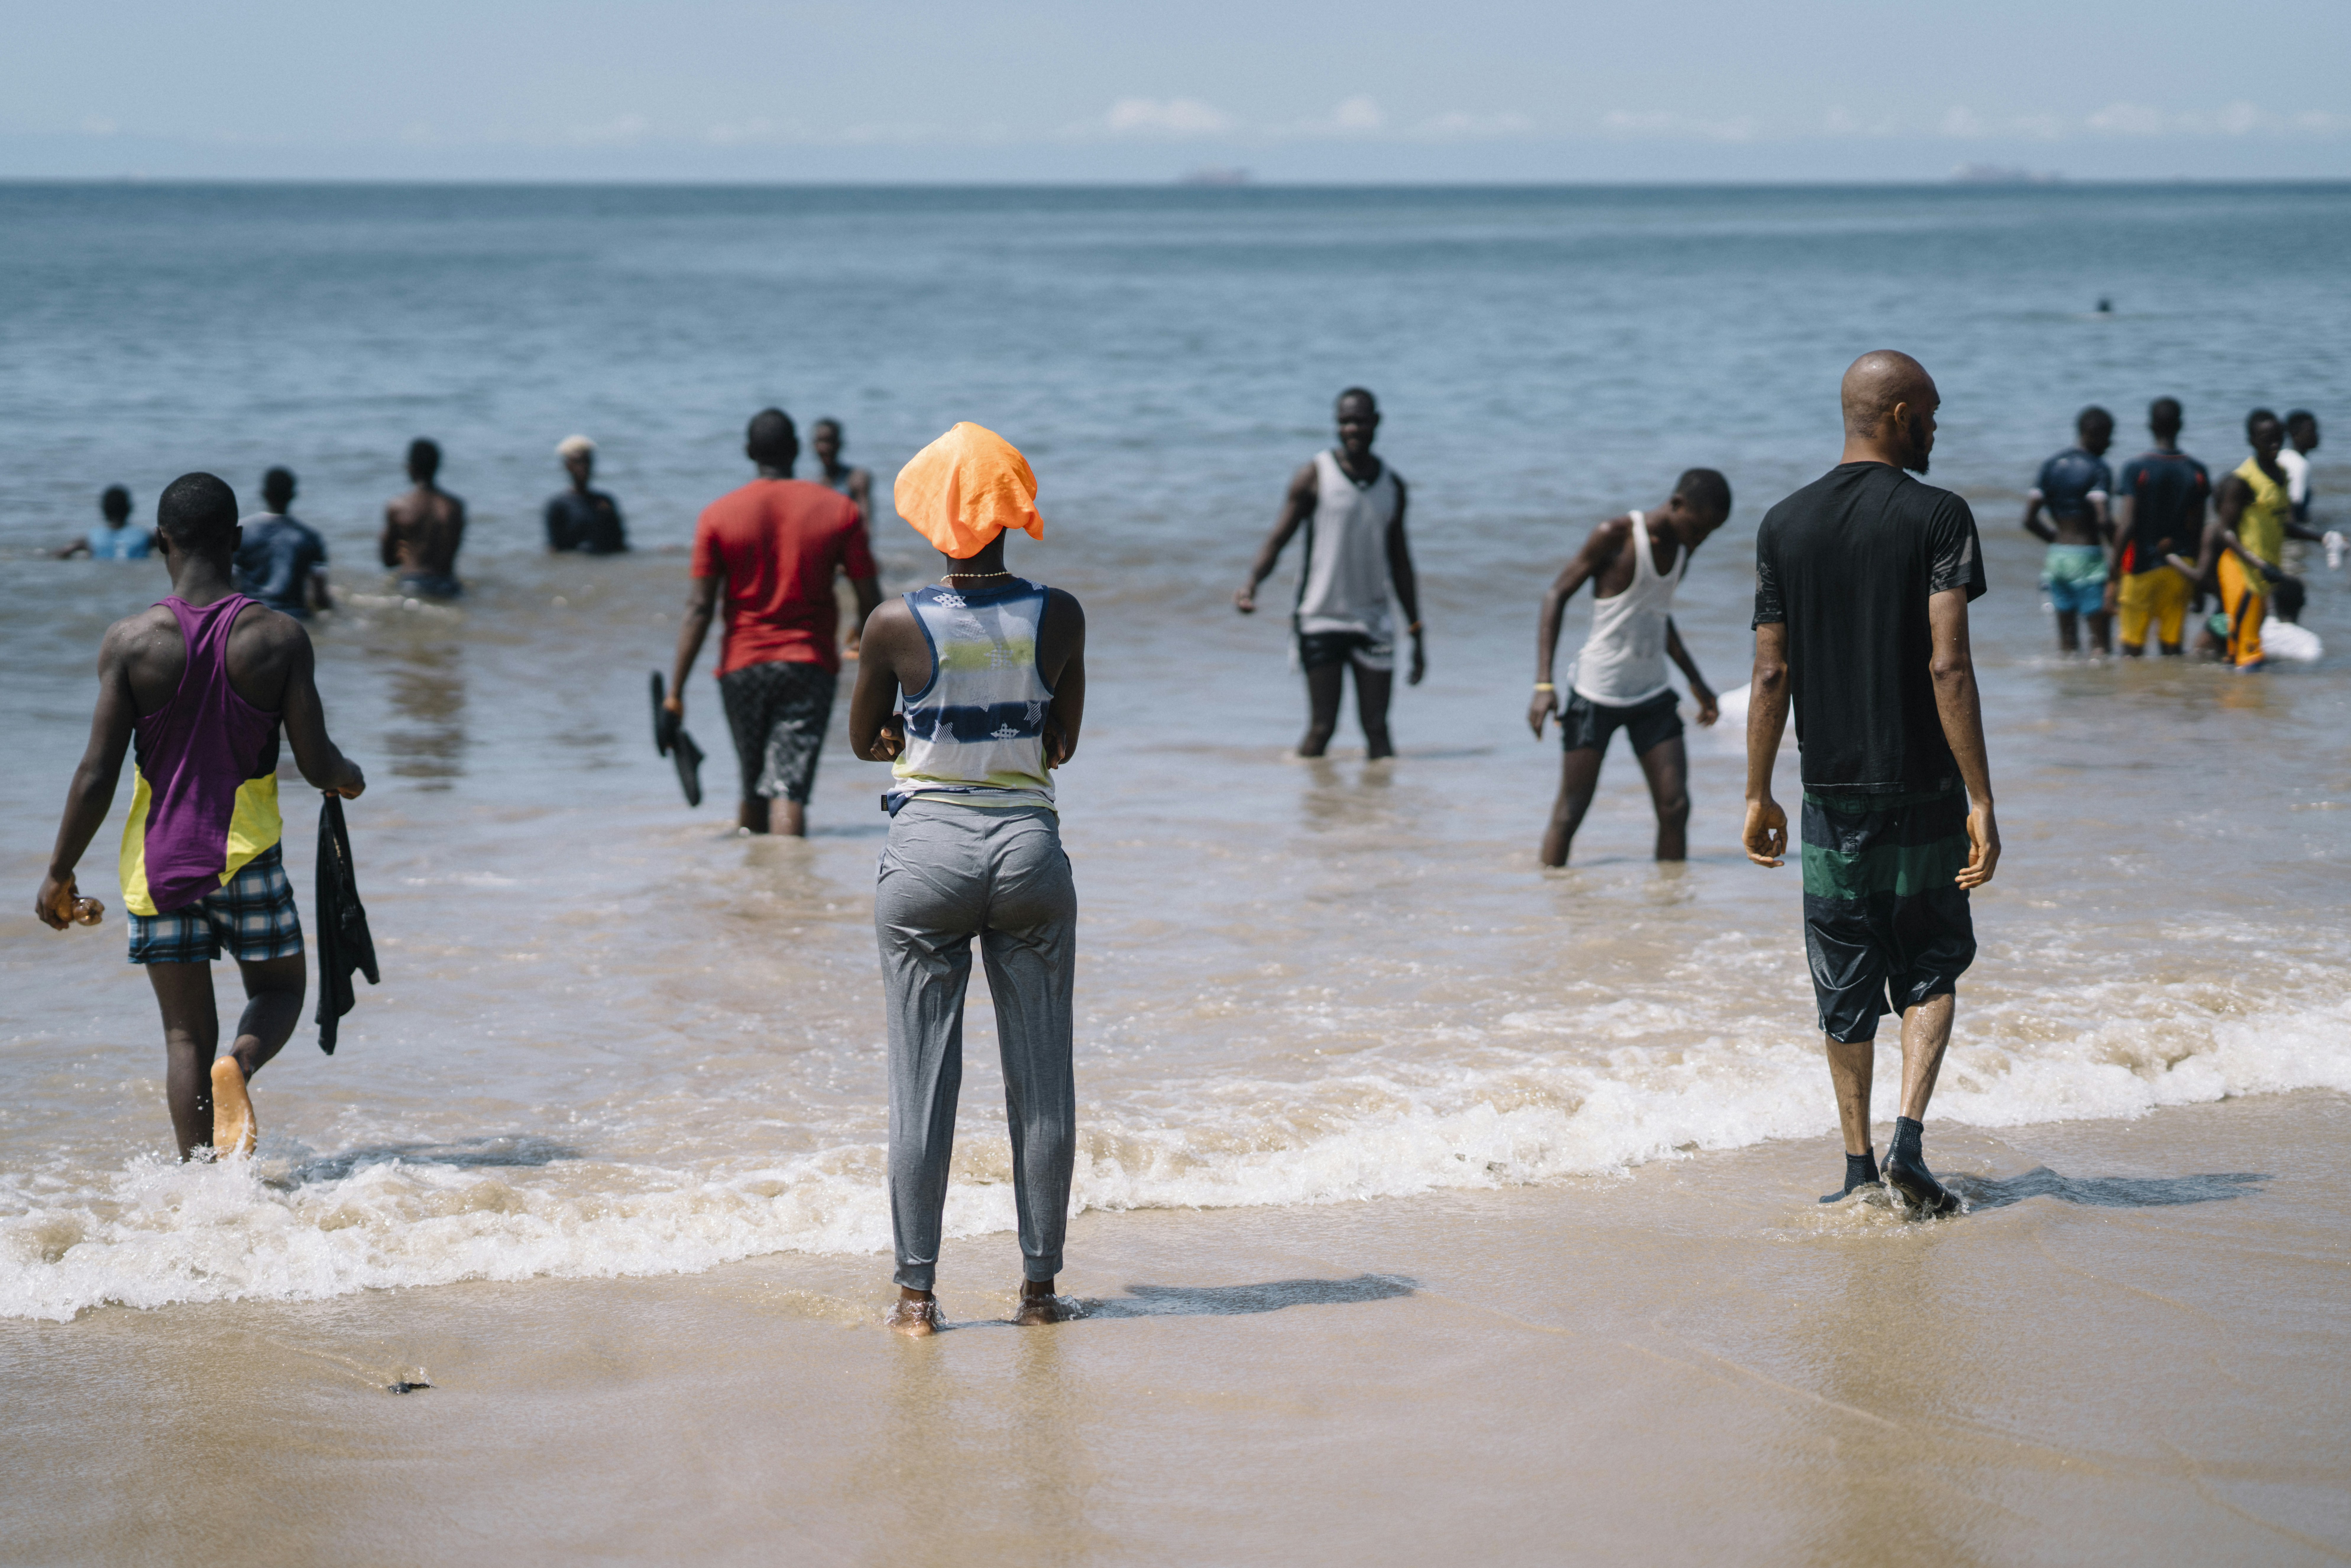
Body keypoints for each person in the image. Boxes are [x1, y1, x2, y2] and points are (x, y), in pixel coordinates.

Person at [33, 473, 366, 1161]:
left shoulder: (130, 642)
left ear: (162, 541)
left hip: (158, 868)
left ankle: (200, 1188)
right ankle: (239, 1067)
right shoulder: (278, 637)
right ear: (238, 541)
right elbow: (315, 761)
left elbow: (95, 773)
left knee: (185, 1035)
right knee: (279, 987)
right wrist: (350, 778)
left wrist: (60, 870)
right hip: (248, 855)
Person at [1742, 350, 1998, 1217]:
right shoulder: (1937, 516)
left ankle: (1855, 1167)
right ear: (1895, 415)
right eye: (1928, 413)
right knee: (1930, 962)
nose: (1935, 428)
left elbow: (1770, 674)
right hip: (1923, 789)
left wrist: (1756, 791)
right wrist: (1981, 798)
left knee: (1842, 980)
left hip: (1828, 797)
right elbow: (1949, 664)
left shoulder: (1783, 524)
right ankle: (1907, 1144)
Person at [847, 422, 1085, 1337]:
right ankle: (1038, 1291)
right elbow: (1061, 740)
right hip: (1028, 852)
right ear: (1007, 514)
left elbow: (863, 737)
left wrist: (910, 737)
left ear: (932, 518)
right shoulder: (1058, 614)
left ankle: (915, 1296)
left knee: (921, 1082)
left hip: (925, 858)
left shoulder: (892, 624)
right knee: (1042, 1081)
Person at [667, 408, 883, 835]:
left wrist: (675, 692)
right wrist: (871, 652)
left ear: (749, 452)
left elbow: (698, 609)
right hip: (809, 664)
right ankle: (789, 887)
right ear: (798, 450)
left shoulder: (716, 516)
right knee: (790, 788)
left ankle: (755, 883)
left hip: (742, 667)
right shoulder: (840, 511)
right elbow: (869, 596)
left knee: (752, 787)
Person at [1527, 470, 1732, 866]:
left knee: (1676, 807)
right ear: (1676, 504)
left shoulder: (1683, 552)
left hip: (1652, 694)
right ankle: (1548, 906)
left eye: (1709, 534)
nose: (1699, 540)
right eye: (1697, 527)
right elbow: (1556, 594)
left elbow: (1656, 617)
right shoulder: (1616, 535)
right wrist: (1543, 685)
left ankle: (1668, 910)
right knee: (1572, 811)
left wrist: (1698, 683)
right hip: (1596, 693)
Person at [1235, 388, 1426, 759]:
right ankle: (1308, 808)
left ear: (1376, 423)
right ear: (1336, 426)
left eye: (1360, 421)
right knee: (1322, 728)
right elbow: (1278, 539)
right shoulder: (1314, 476)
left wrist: (1416, 630)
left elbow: (1401, 563)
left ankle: (1386, 814)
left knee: (1378, 731)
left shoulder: (1392, 486)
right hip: (1319, 619)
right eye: (1345, 422)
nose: (1353, 429)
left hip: (1373, 621)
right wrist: (1252, 584)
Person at [2201, 410, 2330, 671]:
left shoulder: (2282, 475)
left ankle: (2233, 705)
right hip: (2242, 571)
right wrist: (2257, 563)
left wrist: (2322, 538)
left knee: (2243, 648)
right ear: (2251, 440)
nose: (2273, 444)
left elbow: (2282, 525)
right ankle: (2250, 707)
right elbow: (2224, 532)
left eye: (2277, 438)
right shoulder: (2242, 481)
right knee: (2250, 654)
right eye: (2266, 438)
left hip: (2264, 575)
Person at [2107, 399, 2208, 657]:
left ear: (2150, 426)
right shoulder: (2197, 471)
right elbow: (2198, 530)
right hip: (2181, 568)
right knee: (2172, 648)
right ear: (2181, 425)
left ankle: (2136, 697)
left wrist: (2113, 576)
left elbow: (2127, 525)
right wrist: (2197, 581)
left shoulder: (2136, 468)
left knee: (2132, 649)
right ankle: (2170, 695)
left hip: (2140, 567)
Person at [2021, 406, 2115, 655]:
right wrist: (2119, 549)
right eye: (2108, 436)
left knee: (2068, 645)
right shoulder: (2098, 468)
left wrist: (2057, 539)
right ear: (2095, 433)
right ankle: (2101, 692)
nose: (2110, 444)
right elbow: (2104, 519)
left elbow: (2029, 520)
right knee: (2100, 644)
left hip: (2058, 558)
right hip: (2088, 559)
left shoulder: (2051, 466)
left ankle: (2069, 691)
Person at [233, 467, 331, 618]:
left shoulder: (242, 532)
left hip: (252, 615)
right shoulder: (310, 537)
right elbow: (320, 597)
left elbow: (233, 584)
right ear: (293, 495)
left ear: (264, 494)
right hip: (295, 617)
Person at [381, 438, 467, 598]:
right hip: (448, 584)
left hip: (413, 583)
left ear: (411, 467)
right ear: (438, 466)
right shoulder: (455, 507)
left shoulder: (398, 507)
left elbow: (388, 561)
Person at [544, 434, 628, 555]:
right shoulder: (558, 506)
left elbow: (621, 546)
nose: (583, 467)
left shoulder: (606, 502)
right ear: (568, 466)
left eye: (587, 461)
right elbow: (555, 550)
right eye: (578, 462)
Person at [56, 485, 152, 560]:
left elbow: (61, 554)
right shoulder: (144, 536)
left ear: (104, 510)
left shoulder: (91, 538)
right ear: (129, 509)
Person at [810, 419, 874, 523]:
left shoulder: (857, 479)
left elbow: (866, 523)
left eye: (829, 441)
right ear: (814, 445)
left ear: (839, 444)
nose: (825, 448)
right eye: (820, 441)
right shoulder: (812, 485)